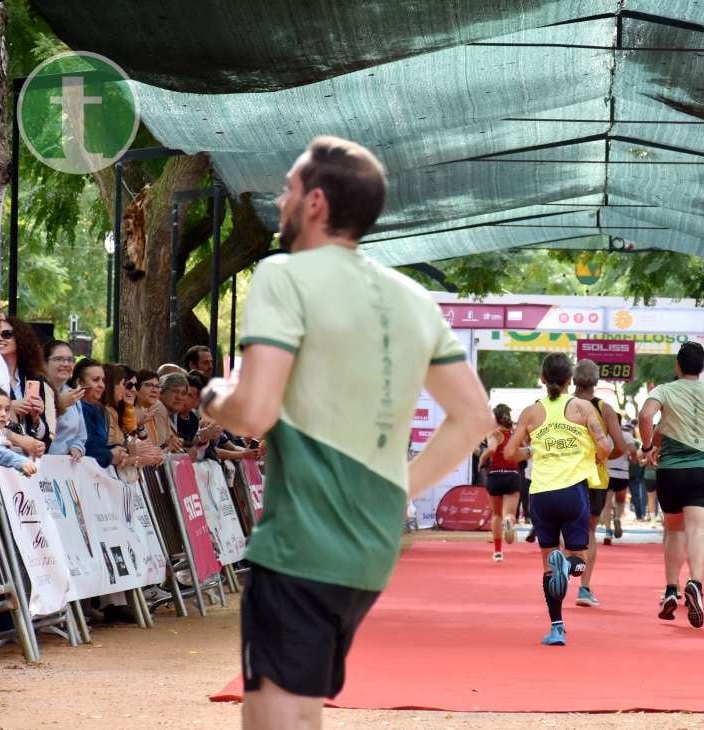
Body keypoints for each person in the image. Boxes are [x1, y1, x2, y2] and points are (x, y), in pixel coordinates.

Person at [198, 136, 492, 729]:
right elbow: (475, 418)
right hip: (370, 548)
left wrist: (213, 397)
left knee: (280, 718)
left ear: (315, 204)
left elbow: (254, 413)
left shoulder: (285, 275)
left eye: (288, 188)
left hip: (301, 540)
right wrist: (398, 490)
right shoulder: (413, 298)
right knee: (302, 711)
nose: (281, 200)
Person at [502, 354, 612, 645]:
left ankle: (556, 628)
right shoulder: (582, 408)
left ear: (541, 379)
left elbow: (510, 453)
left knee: (547, 566)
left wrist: (533, 451)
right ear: (570, 380)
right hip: (573, 493)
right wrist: (593, 451)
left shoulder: (530, 413)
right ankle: (567, 569)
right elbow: (605, 447)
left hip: (540, 494)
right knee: (578, 560)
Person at [638, 342, 704, 629]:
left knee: (674, 529)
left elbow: (645, 416)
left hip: (670, 472)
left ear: (678, 366)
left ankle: (670, 589)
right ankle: (697, 585)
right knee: (698, 532)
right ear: (702, 367)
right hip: (703, 471)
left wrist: (646, 446)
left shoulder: (664, 391)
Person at [570, 359, 624, 608]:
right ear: (596, 382)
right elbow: (621, 447)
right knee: (589, 532)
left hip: (564, 476)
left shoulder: (562, 406)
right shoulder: (605, 409)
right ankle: (584, 588)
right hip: (595, 478)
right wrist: (601, 457)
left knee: (564, 529)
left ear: (573, 380)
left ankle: (563, 569)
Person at [0, 317, 52, 452]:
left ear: (20, 338)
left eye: (6, 334)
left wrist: (36, 418)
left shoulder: (33, 378)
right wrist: (10, 407)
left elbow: (44, 436)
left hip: (28, 455)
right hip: (2, 450)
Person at [479, 404, 522, 562]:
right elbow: (522, 451)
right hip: (512, 475)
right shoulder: (515, 433)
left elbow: (491, 449)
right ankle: (509, 521)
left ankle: (497, 552)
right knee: (509, 513)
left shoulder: (494, 433)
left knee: (496, 514)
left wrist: (482, 459)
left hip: (495, 476)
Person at [74, 358, 127, 469]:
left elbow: (100, 445)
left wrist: (120, 451)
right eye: (95, 380)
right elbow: (85, 449)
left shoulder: (98, 409)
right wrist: (110, 455)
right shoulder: (74, 408)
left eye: (103, 380)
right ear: (79, 382)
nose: (102, 385)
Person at [44, 341, 86, 462]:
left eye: (70, 360)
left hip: (67, 467)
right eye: (59, 359)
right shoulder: (38, 391)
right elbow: (37, 429)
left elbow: (81, 435)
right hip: (44, 464)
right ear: (45, 363)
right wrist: (58, 406)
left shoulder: (73, 394)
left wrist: (77, 448)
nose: (66, 364)